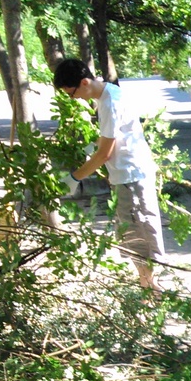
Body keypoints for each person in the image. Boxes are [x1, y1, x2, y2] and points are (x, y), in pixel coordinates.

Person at [52, 59, 164, 292]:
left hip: (131, 178)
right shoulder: (108, 94)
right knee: (133, 238)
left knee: (141, 239)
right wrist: (91, 147)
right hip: (126, 176)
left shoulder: (109, 102)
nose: (74, 99)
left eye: (72, 94)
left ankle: (153, 294)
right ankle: (147, 291)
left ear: (84, 82)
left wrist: (74, 178)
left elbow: (104, 154)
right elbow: (110, 139)